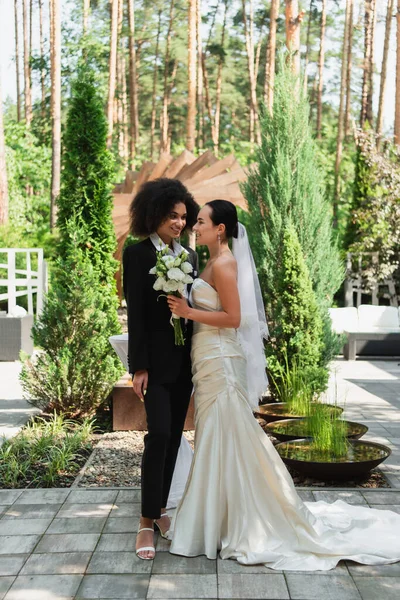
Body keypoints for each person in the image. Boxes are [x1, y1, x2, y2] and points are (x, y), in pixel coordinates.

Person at [165, 199, 400, 571]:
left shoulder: (225, 264)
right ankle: (218, 515)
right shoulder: (207, 261)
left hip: (222, 361)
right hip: (206, 358)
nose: (196, 226)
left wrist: (188, 311)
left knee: (229, 431)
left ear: (220, 228)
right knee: (214, 432)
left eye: (202, 221)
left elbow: (235, 317)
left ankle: (237, 518)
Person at [123, 178, 199, 560]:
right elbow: (135, 315)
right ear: (154, 213)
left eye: (184, 216)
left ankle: (161, 510)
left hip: (184, 366)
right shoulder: (136, 255)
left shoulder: (188, 255)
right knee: (159, 436)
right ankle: (144, 521)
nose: (180, 223)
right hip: (153, 367)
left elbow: (190, 314)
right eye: (173, 215)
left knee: (172, 440)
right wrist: (138, 368)